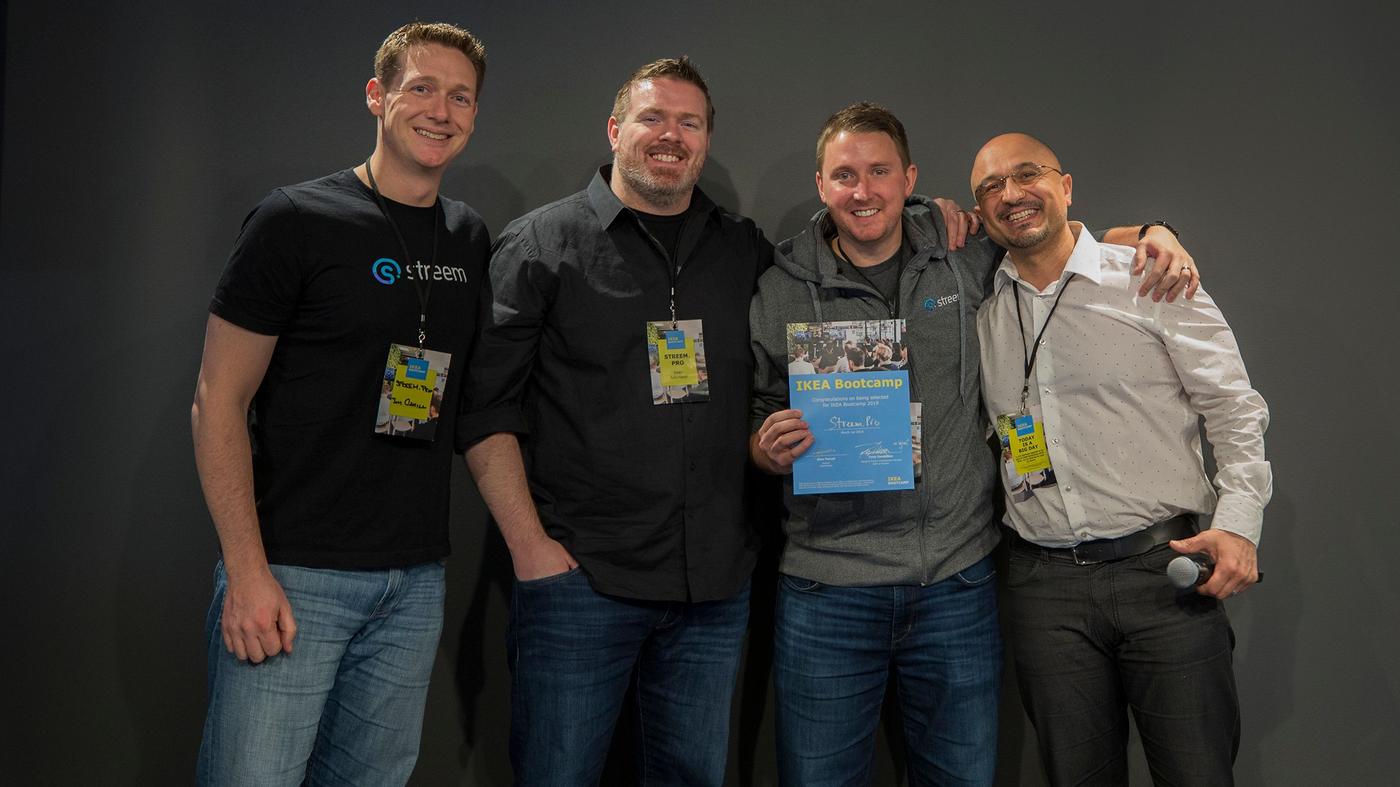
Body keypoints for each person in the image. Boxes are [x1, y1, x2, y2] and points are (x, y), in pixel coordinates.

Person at [748, 104, 1198, 785]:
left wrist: (1153, 231)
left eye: (879, 171)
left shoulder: (964, 251)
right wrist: (764, 446)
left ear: (910, 179)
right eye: (844, 174)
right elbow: (756, 413)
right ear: (820, 184)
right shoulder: (779, 287)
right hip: (829, 586)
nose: (862, 190)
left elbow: (1053, 234)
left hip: (956, 587)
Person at [191, 22, 490, 785]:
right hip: (294, 575)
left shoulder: (466, 236)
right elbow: (216, 401)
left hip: (413, 583)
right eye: (421, 87)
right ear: (377, 96)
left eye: (460, 96)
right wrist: (247, 571)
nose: (441, 110)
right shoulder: (295, 220)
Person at [459, 57, 771, 786]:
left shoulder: (742, 248)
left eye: (688, 123)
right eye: (652, 117)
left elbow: (847, 245)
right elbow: (484, 409)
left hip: (714, 587)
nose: (670, 135)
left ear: (706, 139)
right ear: (615, 129)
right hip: (582, 583)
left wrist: (929, 216)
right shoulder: (541, 244)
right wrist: (530, 549)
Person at [971, 132, 1270, 785]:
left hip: (1163, 576)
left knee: (1197, 774)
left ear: (1066, 185)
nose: (1011, 195)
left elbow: (1234, 406)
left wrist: (1240, 521)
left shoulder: (1147, 275)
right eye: (990, 187)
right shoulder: (982, 307)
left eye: (1027, 176)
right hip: (1043, 589)